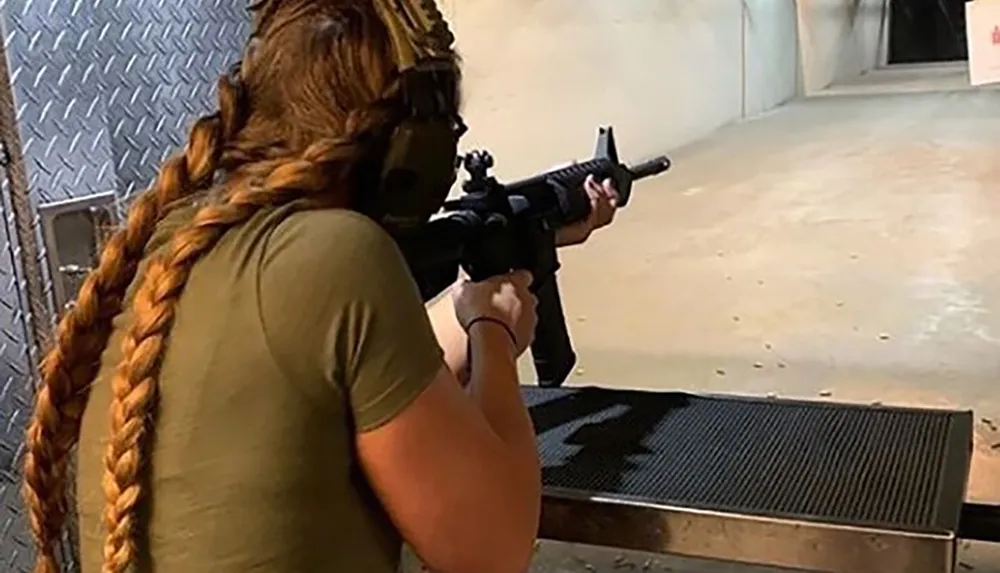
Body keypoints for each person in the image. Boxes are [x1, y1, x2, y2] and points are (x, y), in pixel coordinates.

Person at [20, 1, 619, 573]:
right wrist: (495, 332)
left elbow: (344, 367)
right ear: (415, 147)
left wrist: (473, 301)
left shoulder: (170, 245)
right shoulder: (340, 254)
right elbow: (495, 547)